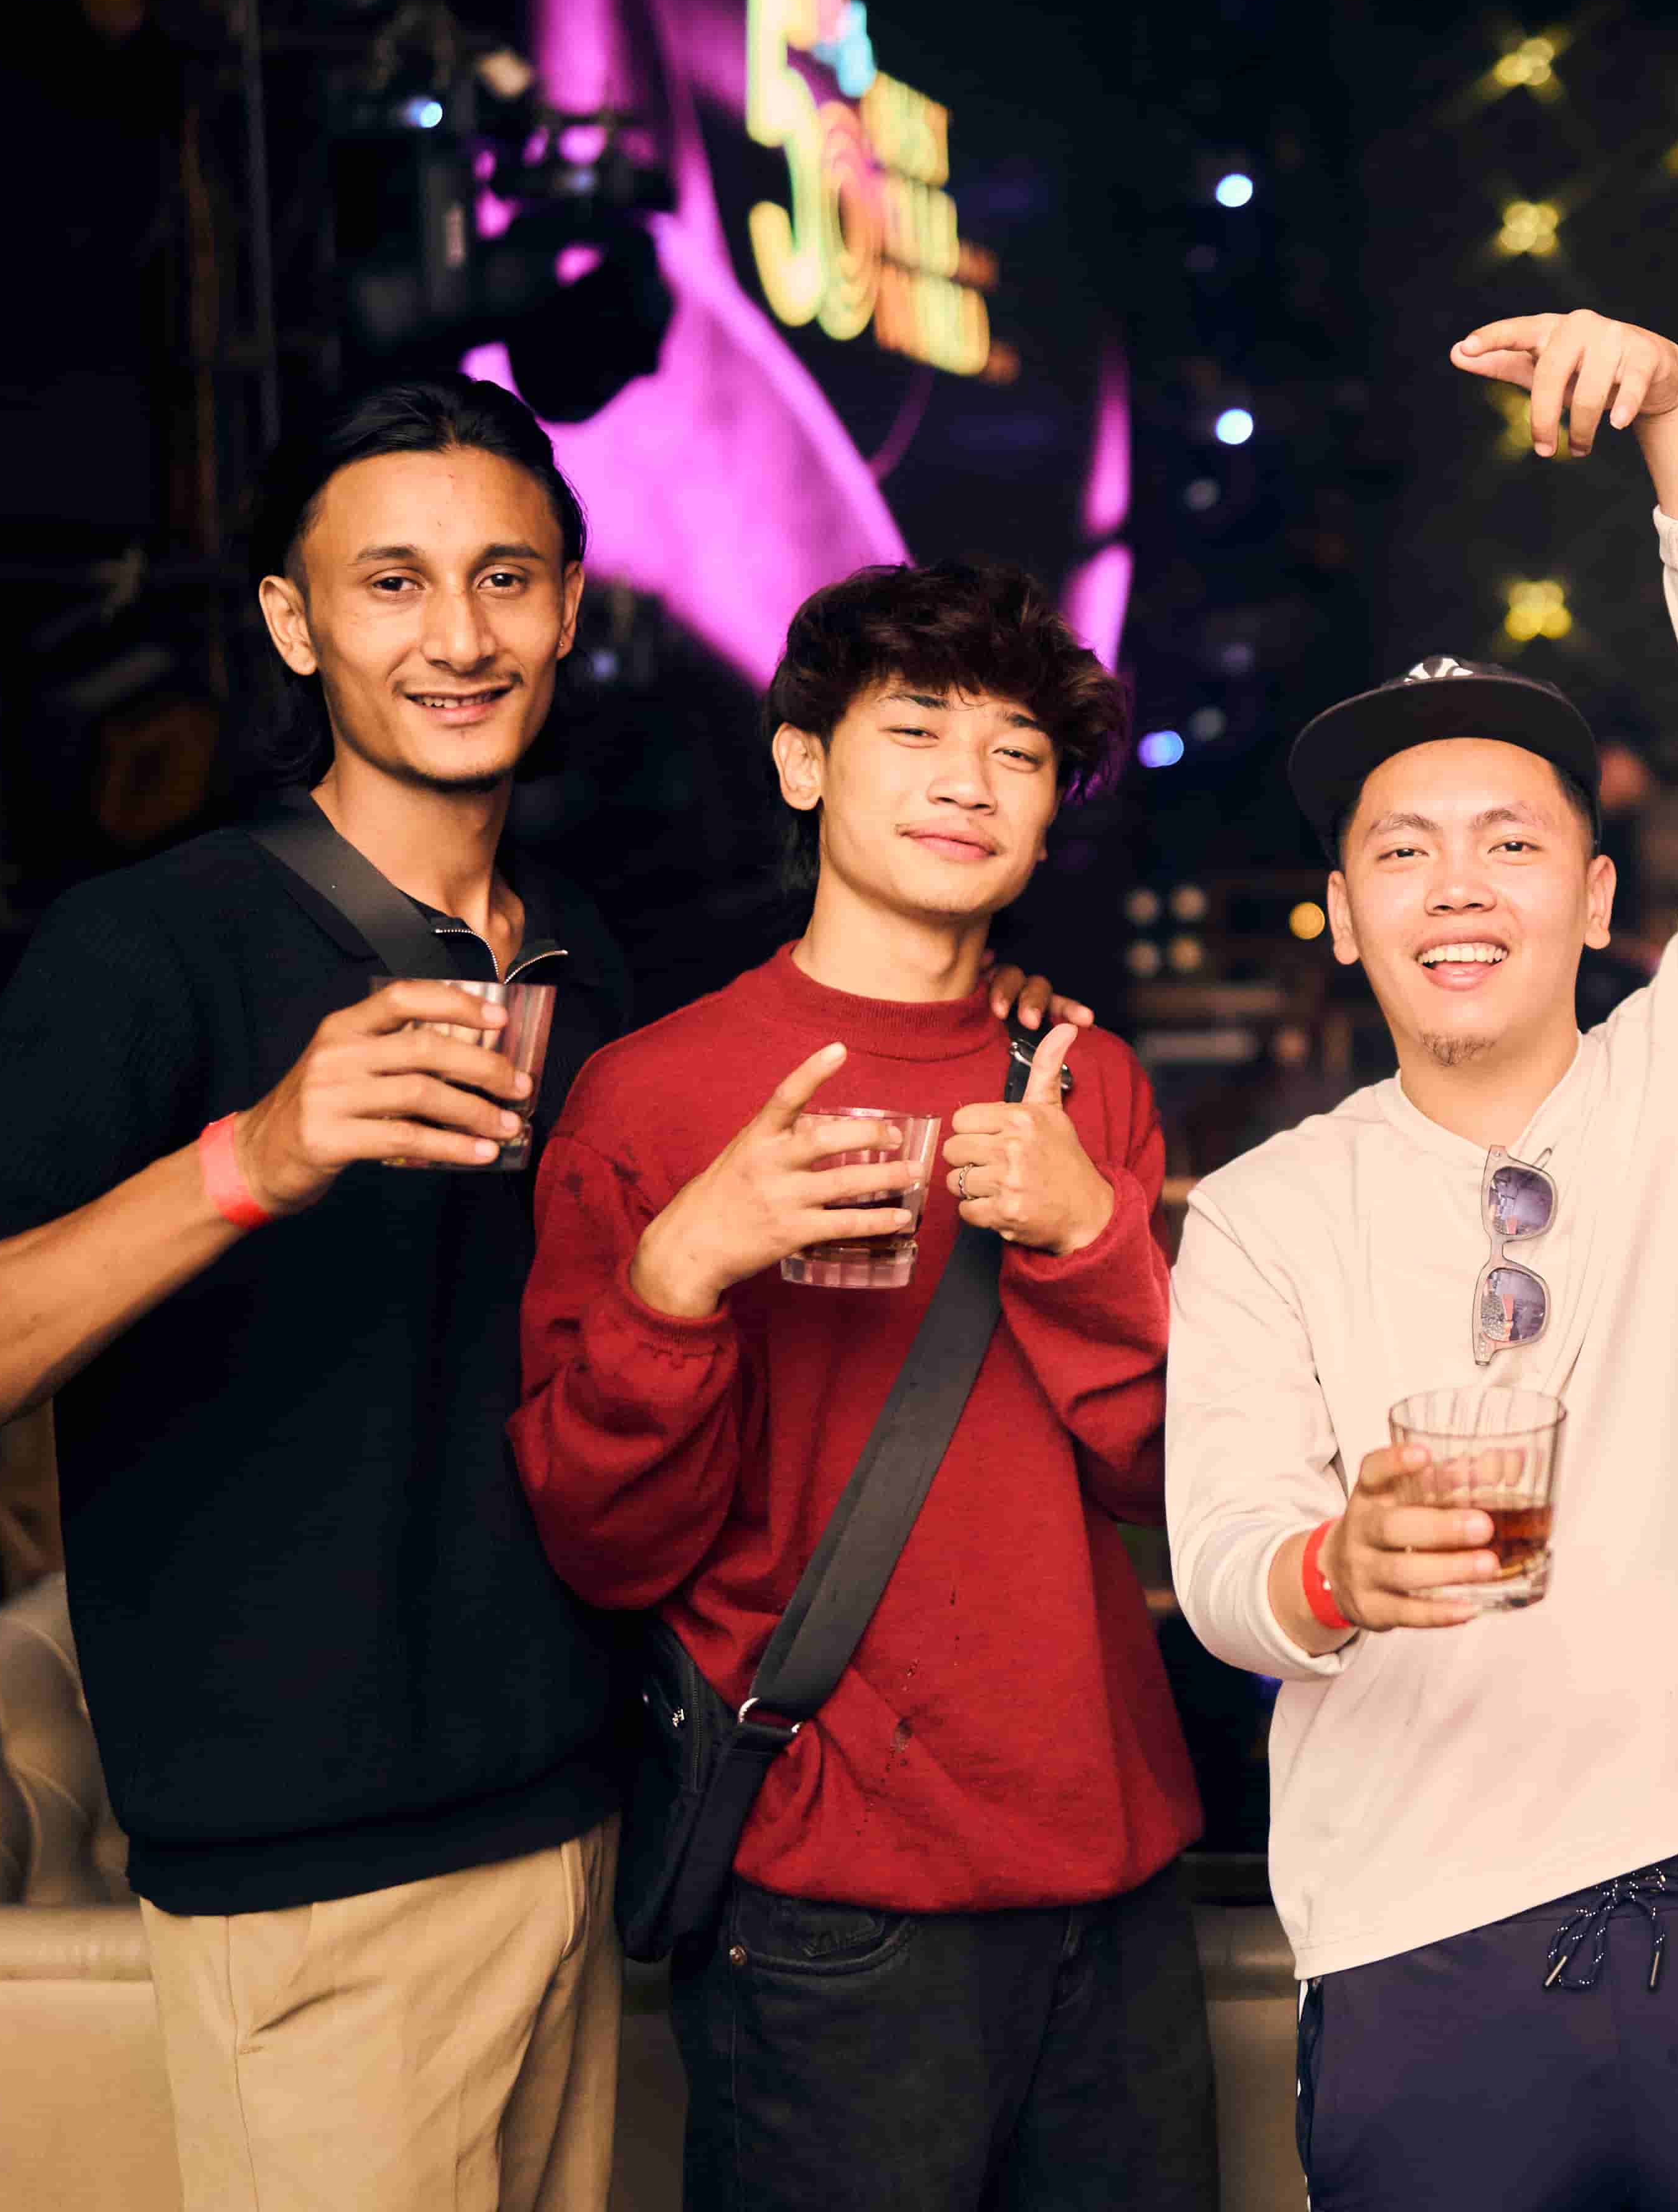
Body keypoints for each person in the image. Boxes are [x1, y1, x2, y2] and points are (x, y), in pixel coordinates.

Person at [0, 379, 635, 2212]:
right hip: (313, 1891)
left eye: (505, 579)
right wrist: (248, 1159)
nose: (458, 637)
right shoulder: (153, 943)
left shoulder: (585, 955)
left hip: (570, 1831)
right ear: (293, 621)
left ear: (569, 608)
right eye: (392, 583)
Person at [1164, 309, 1678, 2212]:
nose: (1458, 884)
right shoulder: (1263, 1208)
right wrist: (1333, 1570)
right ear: (1343, 918)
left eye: (1511, 842)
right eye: (1402, 853)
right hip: (1418, 1942)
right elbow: (1224, 1565)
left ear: (1594, 899)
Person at [510, 557, 1210, 2212]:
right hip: (831, 1889)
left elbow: (1169, 1482)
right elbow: (602, 1547)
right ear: (802, 762)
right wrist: (682, 1275)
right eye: (917, 731)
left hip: (1113, 1869)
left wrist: (1089, 1232)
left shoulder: (1085, 1079)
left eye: (1019, 753)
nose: (971, 782)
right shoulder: (651, 1096)